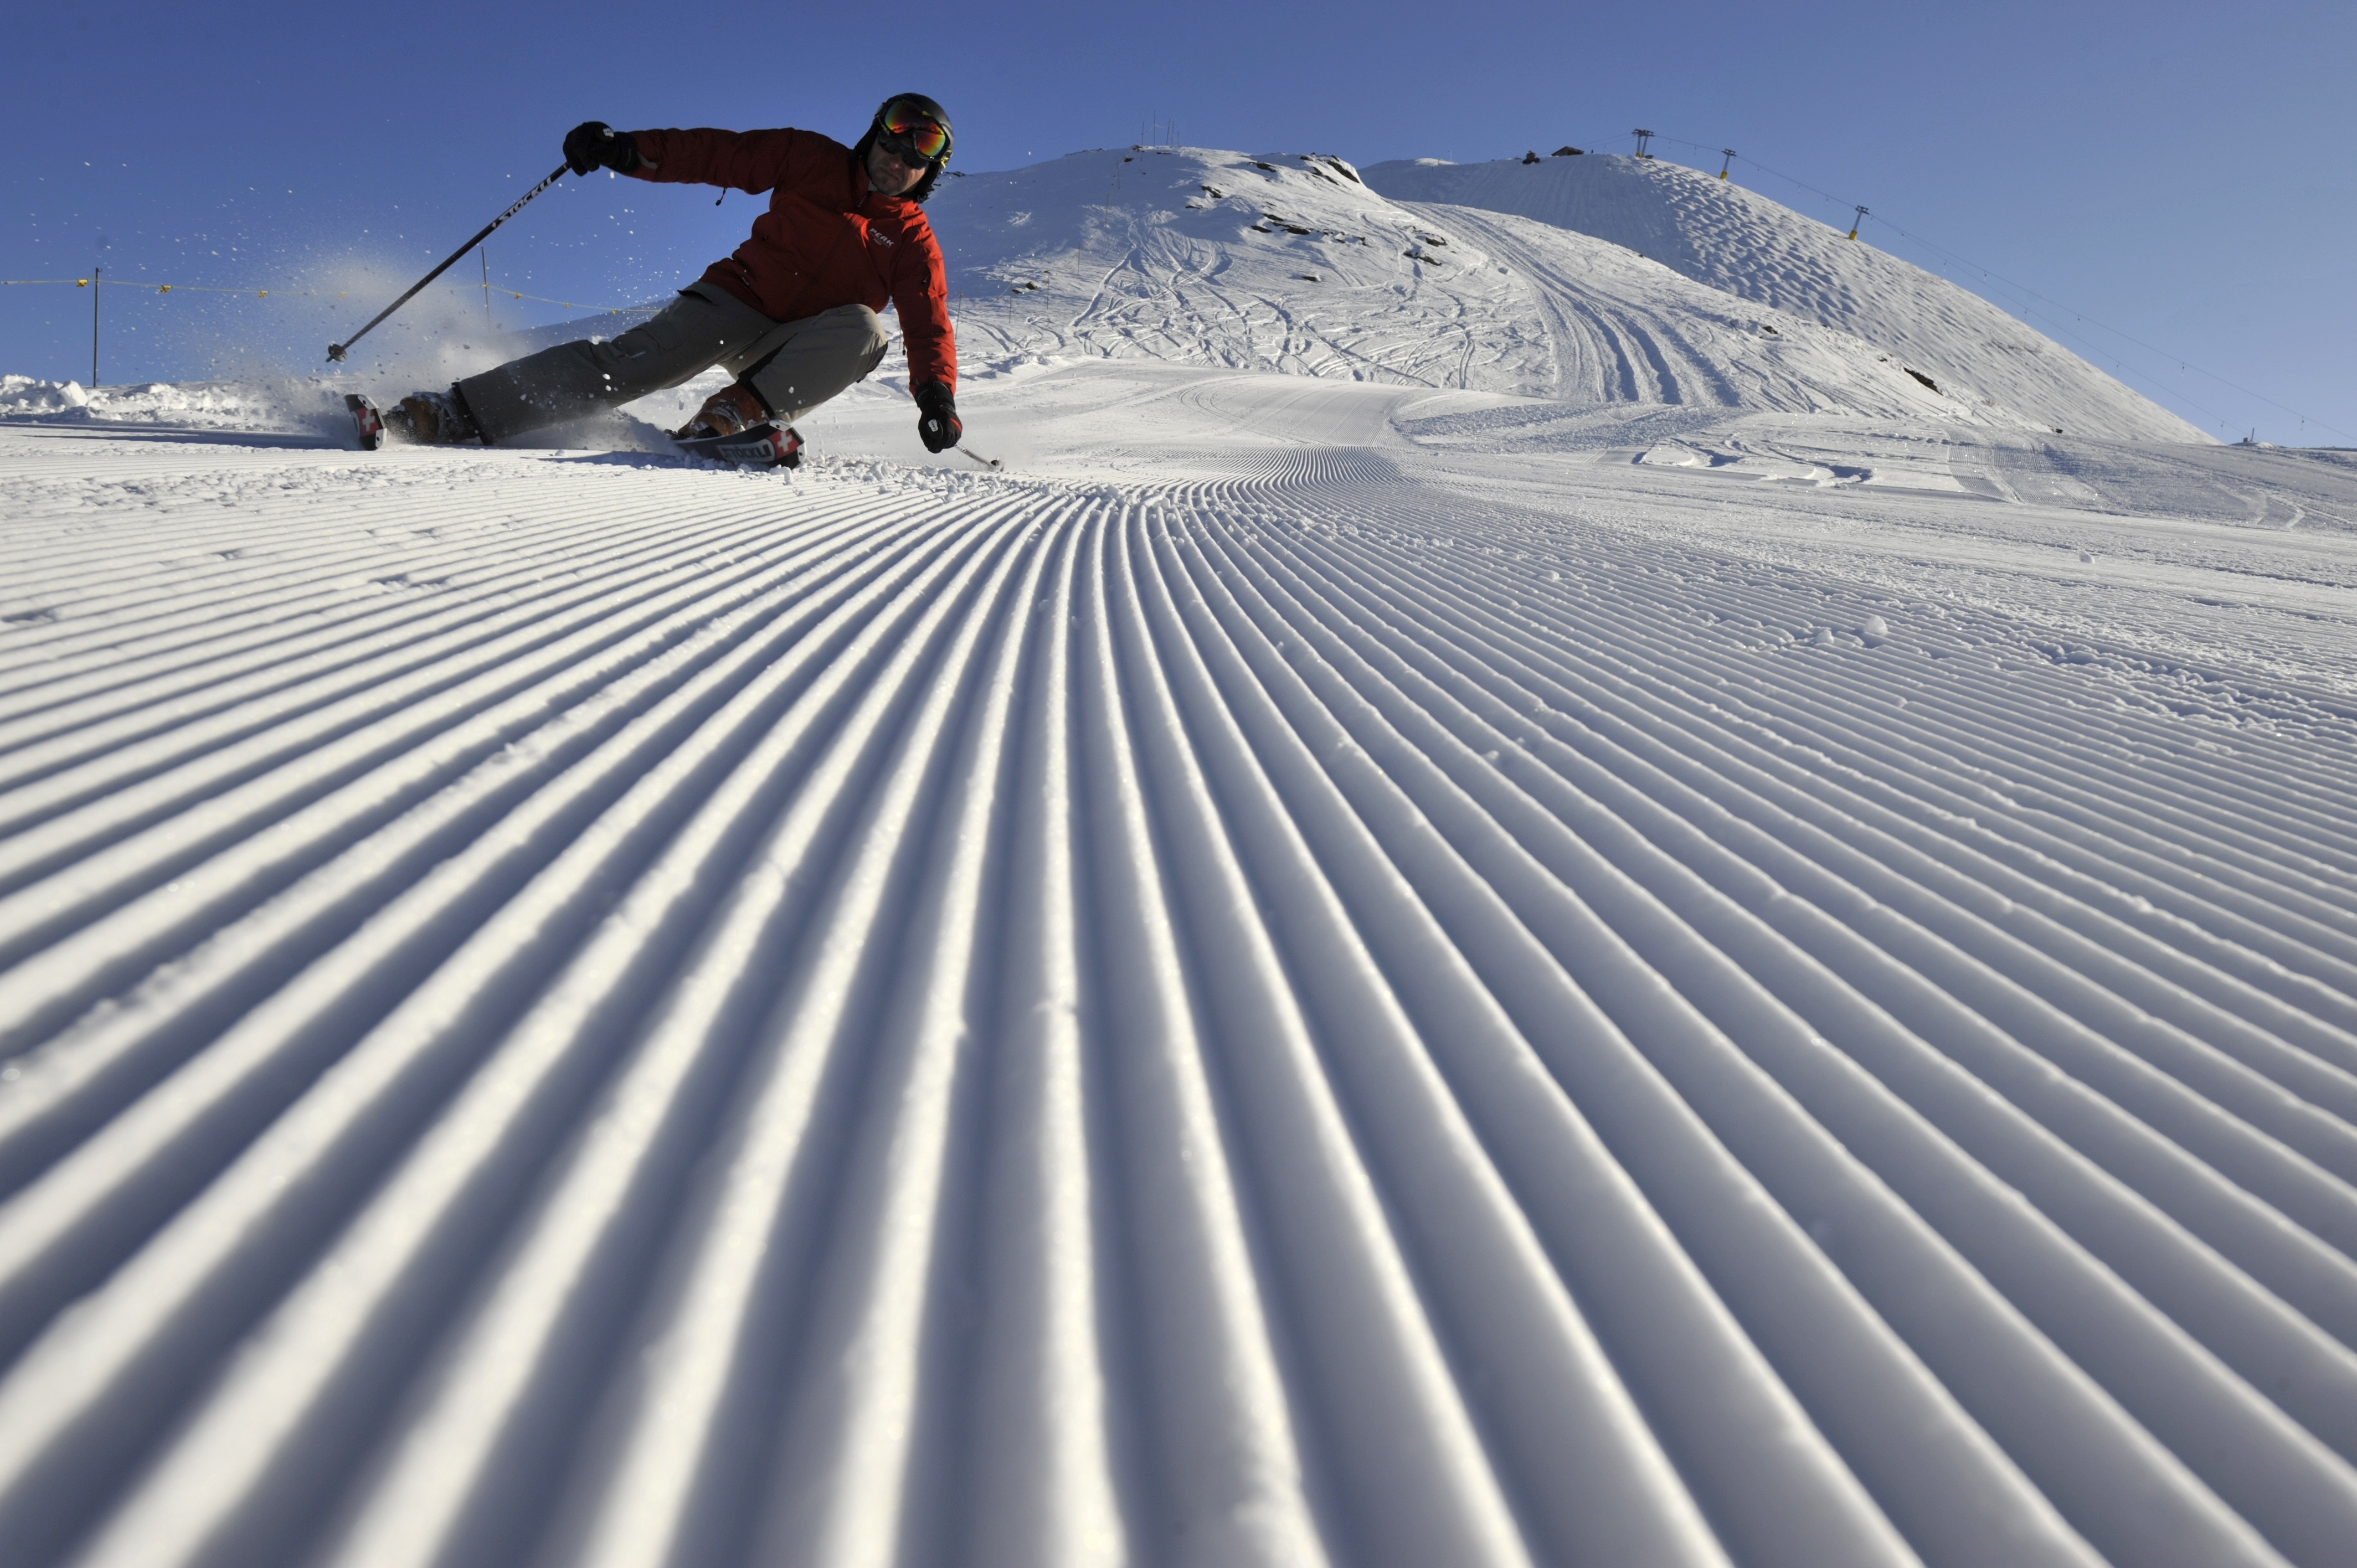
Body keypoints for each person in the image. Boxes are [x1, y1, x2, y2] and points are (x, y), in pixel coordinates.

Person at [384, 94, 962, 465]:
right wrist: (629, 152)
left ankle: (731, 415)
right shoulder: (809, 159)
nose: (899, 155)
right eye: (893, 135)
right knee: (631, 364)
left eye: (920, 152)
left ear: (929, 172)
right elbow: (719, 156)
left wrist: (936, 395)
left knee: (867, 331)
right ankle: (456, 410)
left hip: (792, 346)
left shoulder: (913, 240)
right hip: (737, 298)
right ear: (874, 133)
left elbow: (928, 321)